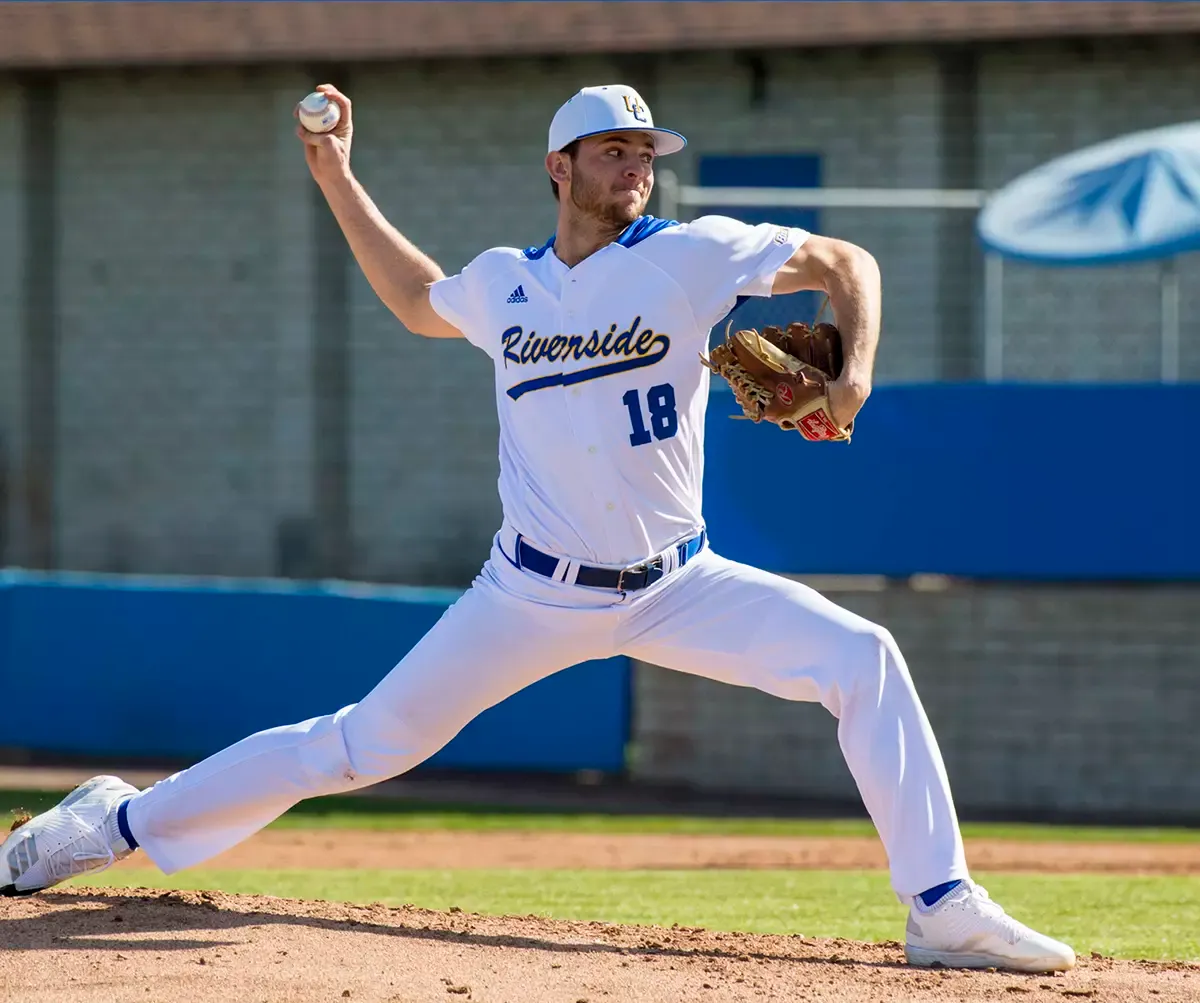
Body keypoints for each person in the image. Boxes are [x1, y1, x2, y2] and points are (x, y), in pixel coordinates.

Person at [2, 83, 1074, 974]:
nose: (637, 165)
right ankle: (116, 822)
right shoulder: (506, 286)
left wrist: (857, 370)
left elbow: (850, 263)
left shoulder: (694, 253)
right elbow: (419, 297)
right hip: (528, 594)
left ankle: (940, 904)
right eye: (613, 150)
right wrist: (335, 176)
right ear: (558, 167)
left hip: (677, 582)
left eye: (646, 151)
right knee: (358, 747)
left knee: (864, 655)